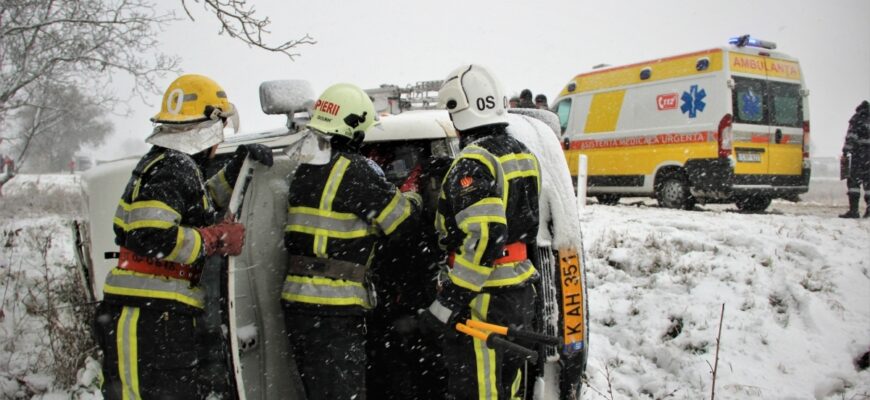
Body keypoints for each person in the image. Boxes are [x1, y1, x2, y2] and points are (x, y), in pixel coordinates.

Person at [94, 74, 273, 399]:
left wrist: (234, 171)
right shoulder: (172, 167)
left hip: (156, 313)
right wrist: (216, 239)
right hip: (147, 316)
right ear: (208, 127)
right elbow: (151, 236)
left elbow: (195, 205)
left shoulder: (171, 165)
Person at [280, 83, 421, 400]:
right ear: (354, 129)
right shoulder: (357, 172)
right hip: (335, 309)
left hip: (299, 306)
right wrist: (412, 195)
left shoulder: (302, 170)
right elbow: (405, 229)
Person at [423, 64, 541, 399]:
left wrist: (450, 300)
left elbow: (484, 238)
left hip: (485, 297)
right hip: (517, 290)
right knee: (508, 386)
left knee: (479, 390)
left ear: (457, 108)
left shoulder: (474, 161)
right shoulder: (523, 152)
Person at [840, 100, 870, 218]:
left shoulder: (857, 119)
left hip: (859, 155)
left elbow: (851, 136)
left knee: (854, 182)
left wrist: (845, 151)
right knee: (869, 183)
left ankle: (854, 211)